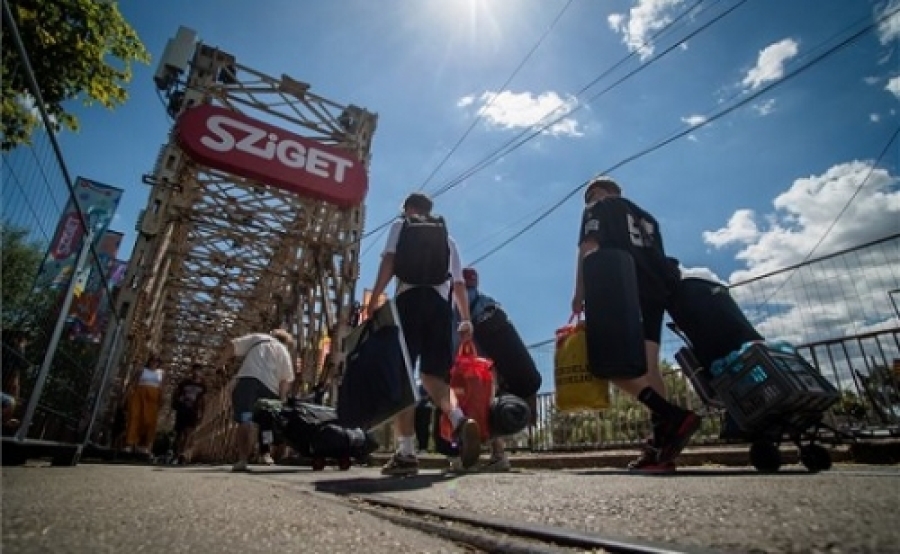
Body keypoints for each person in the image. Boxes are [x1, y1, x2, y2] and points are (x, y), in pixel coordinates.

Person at [571, 175, 700, 473]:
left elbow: (588, 247)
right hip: (654, 292)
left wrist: (580, 293)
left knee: (607, 364)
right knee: (650, 367)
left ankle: (672, 416)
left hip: (620, 286)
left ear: (599, 192)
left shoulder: (598, 207)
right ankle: (663, 445)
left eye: (590, 196)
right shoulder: (647, 219)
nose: (589, 202)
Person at [366, 192, 481, 476]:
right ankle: (459, 420)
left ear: (408, 208)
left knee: (403, 375)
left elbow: (389, 261)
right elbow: (458, 284)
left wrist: (375, 296)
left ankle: (406, 453)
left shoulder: (401, 225)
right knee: (433, 378)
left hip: (409, 302)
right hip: (440, 308)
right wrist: (466, 319)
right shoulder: (447, 239)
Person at [218, 328, 295, 472]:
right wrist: (282, 400)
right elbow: (285, 381)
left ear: (272, 335)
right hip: (269, 391)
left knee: (245, 420)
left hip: (248, 383)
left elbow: (232, 345)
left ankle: (243, 459)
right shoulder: (285, 352)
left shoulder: (259, 338)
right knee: (266, 423)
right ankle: (265, 453)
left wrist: (221, 363)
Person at [124, 354, 166, 458]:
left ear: (159, 363)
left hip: (153, 399)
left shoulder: (161, 373)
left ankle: (143, 445)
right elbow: (132, 383)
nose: (154, 363)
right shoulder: (142, 370)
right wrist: (126, 396)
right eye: (153, 360)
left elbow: (162, 387)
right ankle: (129, 443)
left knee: (148, 421)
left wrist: (162, 400)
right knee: (135, 418)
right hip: (139, 396)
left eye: (157, 361)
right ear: (149, 361)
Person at [171, 364, 207, 464]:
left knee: (188, 433)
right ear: (191, 371)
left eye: (199, 371)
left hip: (193, 411)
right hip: (182, 409)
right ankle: (176, 454)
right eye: (195, 370)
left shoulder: (203, 386)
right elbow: (176, 393)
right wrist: (176, 403)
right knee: (179, 434)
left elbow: (203, 400)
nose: (196, 372)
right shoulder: (184, 383)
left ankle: (182, 454)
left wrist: (202, 414)